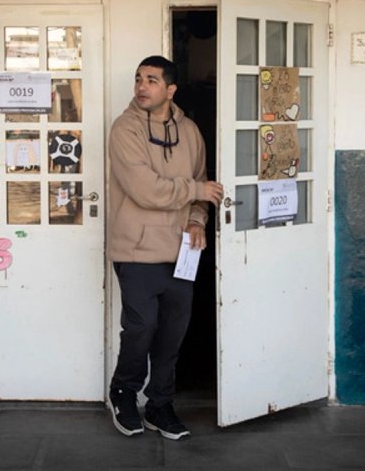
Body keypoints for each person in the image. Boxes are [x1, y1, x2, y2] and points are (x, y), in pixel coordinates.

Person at [107, 55, 224, 440]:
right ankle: (124, 392)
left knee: (172, 332)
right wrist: (196, 192)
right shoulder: (124, 129)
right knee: (141, 328)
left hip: (181, 249)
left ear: (170, 89)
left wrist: (197, 219)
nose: (142, 86)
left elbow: (199, 182)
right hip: (137, 248)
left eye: (152, 80)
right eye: (138, 78)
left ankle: (160, 403)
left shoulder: (189, 130)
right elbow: (144, 189)